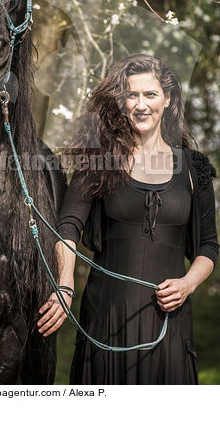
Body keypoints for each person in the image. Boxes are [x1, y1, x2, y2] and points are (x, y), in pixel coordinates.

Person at [37, 54, 218, 384]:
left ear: (167, 99)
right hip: (107, 320)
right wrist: (64, 283)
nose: (140, 104)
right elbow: (68, 225)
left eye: (150, 94)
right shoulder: (97, 160)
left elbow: (208, 246)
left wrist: (188, 284)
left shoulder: (195, 168)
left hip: (170, 324)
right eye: (131, 95)